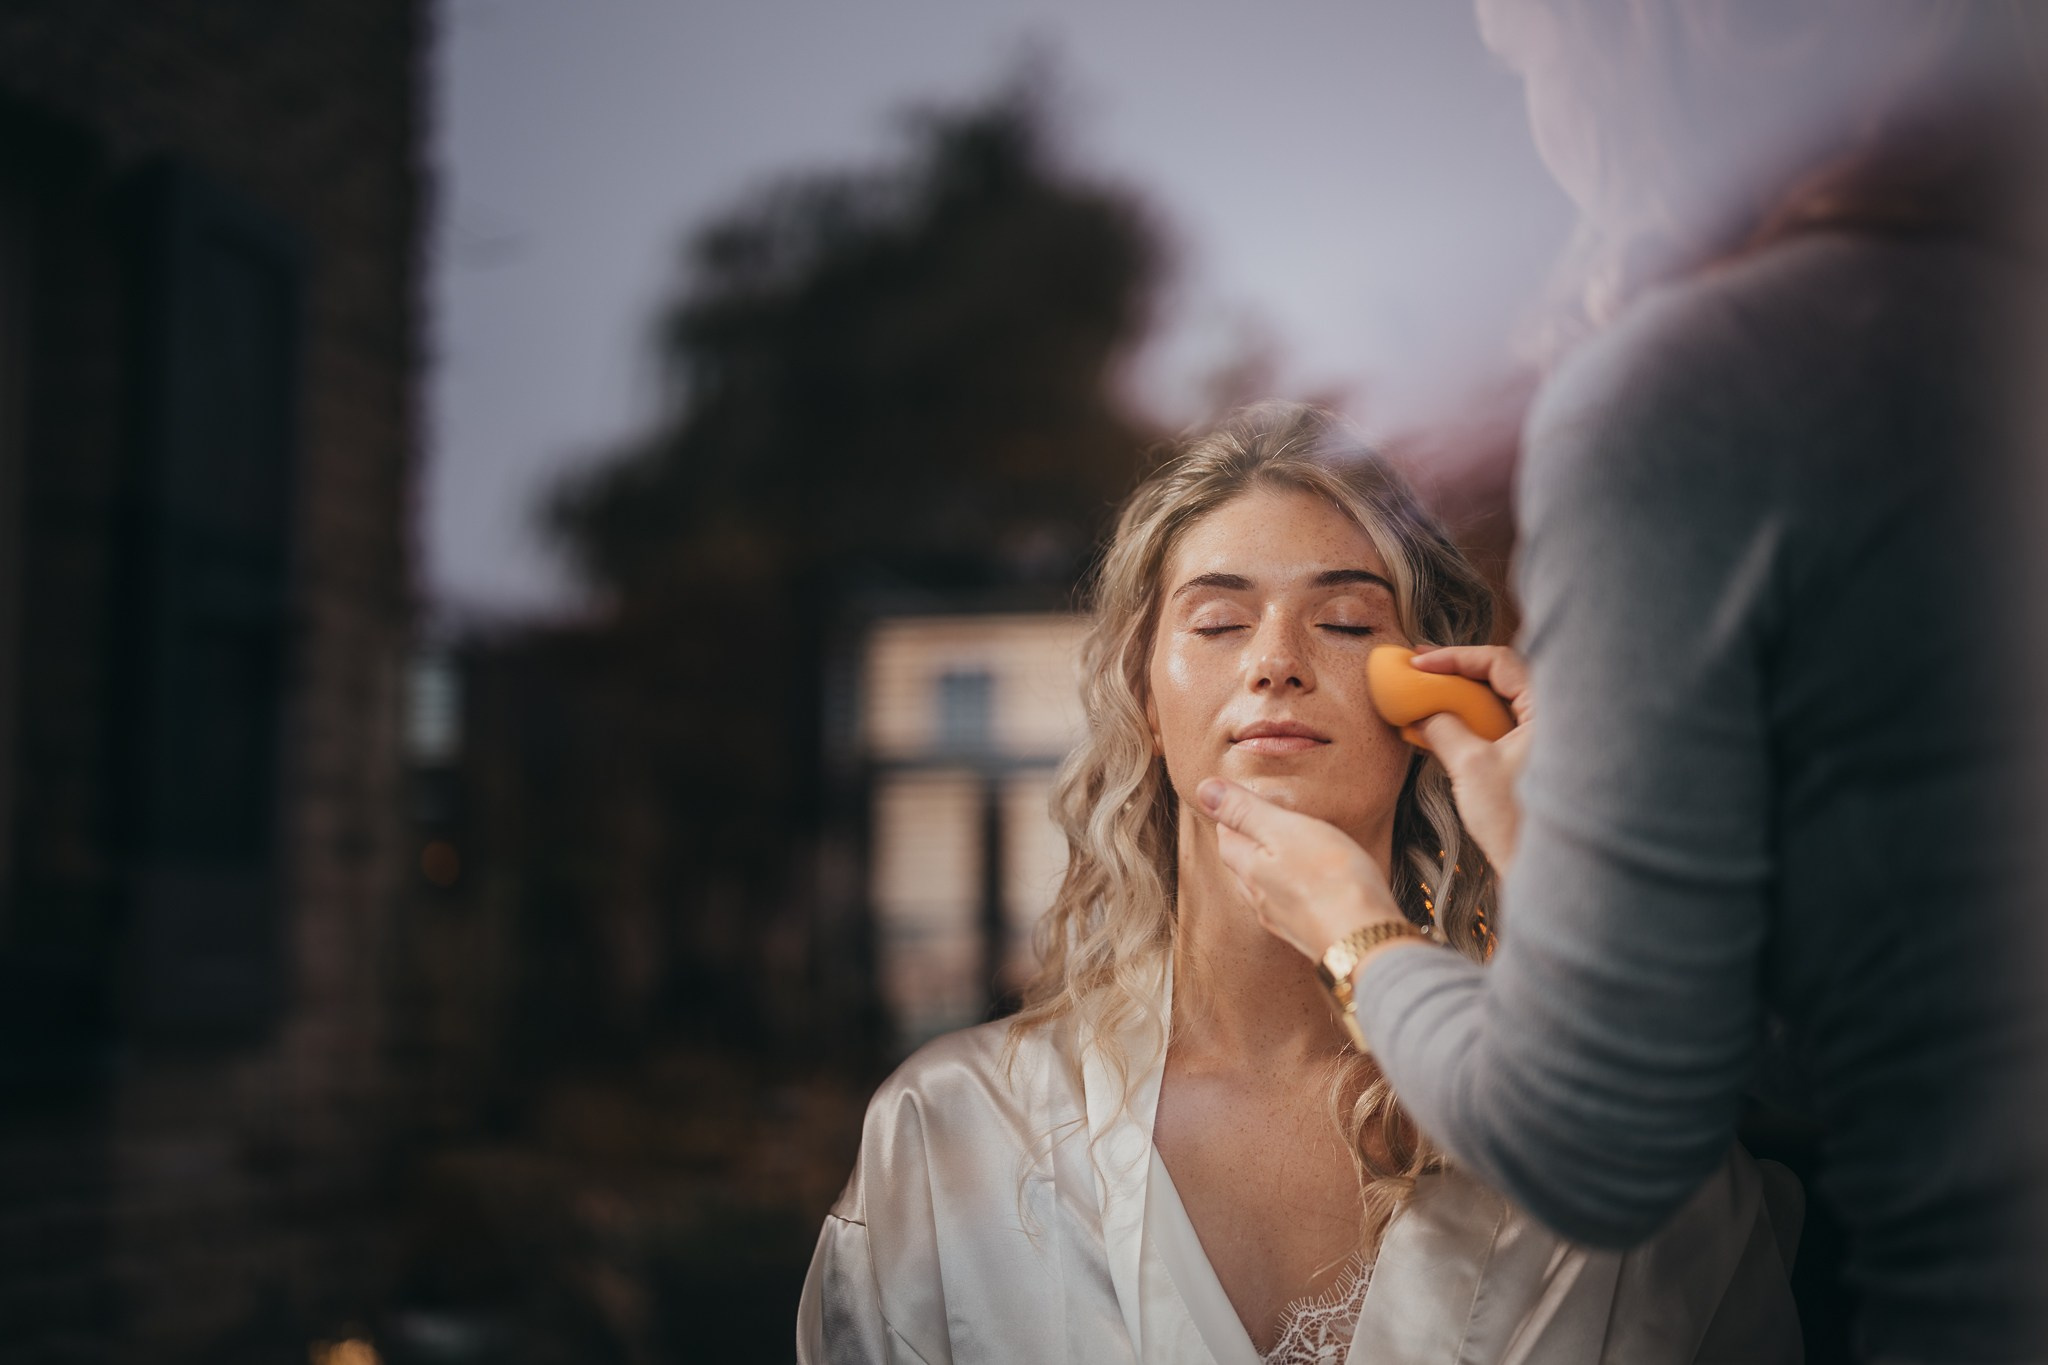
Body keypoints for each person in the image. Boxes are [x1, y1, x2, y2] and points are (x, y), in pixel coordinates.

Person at [1201, 4, 2048, 1361]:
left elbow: (1603, 1145)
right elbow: (1916, 1021)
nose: (1279, 666)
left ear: (1637, 45)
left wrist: (1358, 932)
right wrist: (1593, 869)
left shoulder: (1707, 390)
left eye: (1527, 64)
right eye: (1214, 619)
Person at [798, 404, 1800, 1365]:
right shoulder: (949, 1136)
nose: (1274, 661)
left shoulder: (1617, 1139)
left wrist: (1582, 866)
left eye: (1348, 623)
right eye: (1218, 622)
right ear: (1142, 695)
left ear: (1434, 692)